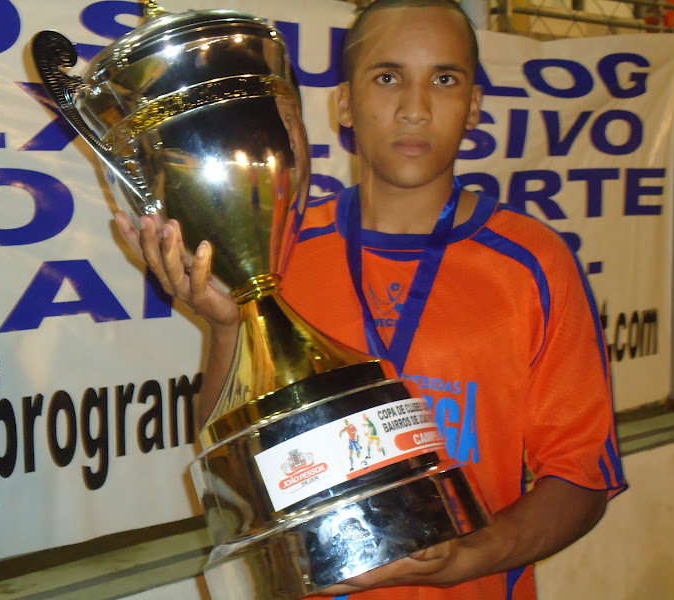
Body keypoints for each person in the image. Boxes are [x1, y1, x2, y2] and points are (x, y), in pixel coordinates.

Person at [114, 0, 627, 598]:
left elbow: (582, 475)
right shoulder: (280, 250)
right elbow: (237, 465)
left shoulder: (533, 262)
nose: (415, 108)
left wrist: (471, 555)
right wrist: (228, 330)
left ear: (474, 106)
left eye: (444, 79)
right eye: (387, 77)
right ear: (345, 104)